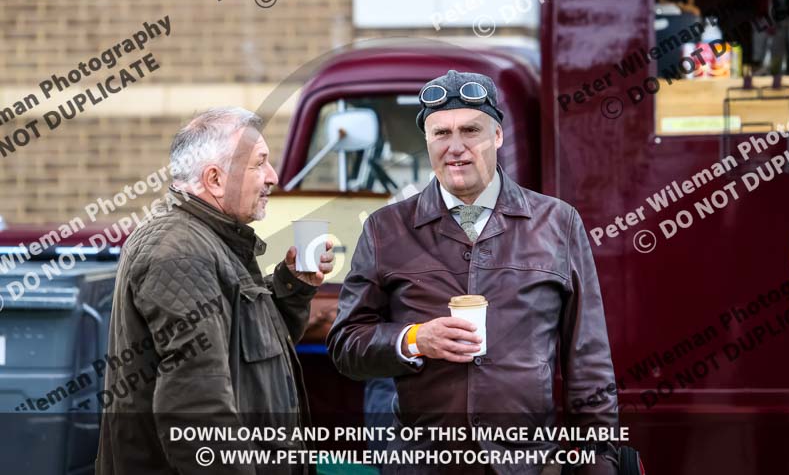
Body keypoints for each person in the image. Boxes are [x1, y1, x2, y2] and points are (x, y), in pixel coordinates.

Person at [327, 71, 619, 475]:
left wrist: (599, 459)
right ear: (427, 141)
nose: (456, 148)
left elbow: (587, 358)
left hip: (528, 465)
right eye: (441, 134)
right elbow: (346, 346)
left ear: (497, 136)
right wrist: (414, 340)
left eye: (471, 130)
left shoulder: (556, 222)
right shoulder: (385, 229)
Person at [96, 107, 334, 474]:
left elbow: (251, 349)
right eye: (259, 164)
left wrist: (293, 285)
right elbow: (196, 407)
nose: (273, 176)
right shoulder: (178, 251)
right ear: (215, 179)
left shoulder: (212, 240)